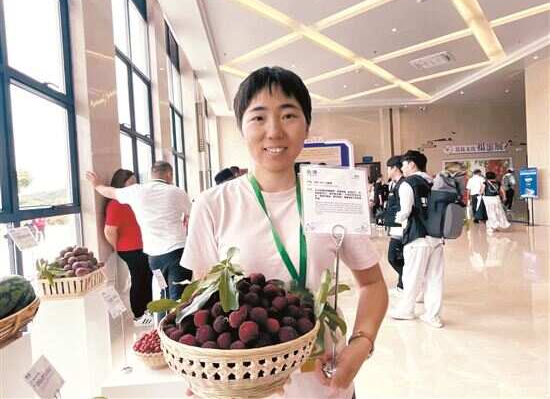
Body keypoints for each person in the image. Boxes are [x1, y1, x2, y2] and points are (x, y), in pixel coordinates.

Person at [180, 66, 388, 399]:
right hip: (245, 387)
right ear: (241, 127)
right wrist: (199, 367)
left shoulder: (332, 195)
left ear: (307, 125)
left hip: (324, 386)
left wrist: (361, 344)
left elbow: (372, 283)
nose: (274, 131)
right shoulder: (214, 204)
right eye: (258, 117)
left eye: (288, 115)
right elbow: (202, 295)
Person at [86, 161, 192, 300]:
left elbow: (108, 191)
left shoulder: (137, 191)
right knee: (180, 296)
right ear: (169, 175)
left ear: (151, 175)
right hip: (177, 253)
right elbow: (192, 215)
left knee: (164, 294)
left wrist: (97, 184)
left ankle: (161, 314)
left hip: (154, 258)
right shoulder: (177, 192)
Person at [390, 150, 445, 328]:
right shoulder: (434, 182)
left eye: (404, 164)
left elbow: (405, 211)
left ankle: (406, 310)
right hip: (436, 237)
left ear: (412, 164)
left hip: (417, 236)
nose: (402, 167)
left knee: (411, 275)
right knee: (434, 278)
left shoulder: (408, 183)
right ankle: (432, 315)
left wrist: (396, 217)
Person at [104, 169, 153, 326]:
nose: (135, 186)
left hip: (143, 246)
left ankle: (147, 311)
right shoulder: (115, 204)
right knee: (139, 279)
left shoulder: (134, 201)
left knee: (147, 278)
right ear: (121, 185)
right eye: (131, 183)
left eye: (135, 182)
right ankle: (139, 315)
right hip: (129, 249)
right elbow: (109, 231)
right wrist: (116, 247)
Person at [384, 156, 405, 296]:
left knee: (393, 257)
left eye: (388, 168)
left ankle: (409, 282)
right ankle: (402, 286)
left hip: (401, 228)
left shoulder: (403, 184)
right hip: (396, 227)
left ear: (395, 168)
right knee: (399, 258)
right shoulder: (395, 184)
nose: (387, 171)